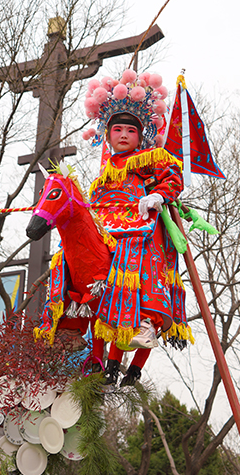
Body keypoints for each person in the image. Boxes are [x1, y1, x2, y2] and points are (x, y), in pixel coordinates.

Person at [77, 70, 192, 386]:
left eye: (131, 130)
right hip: (108, 235)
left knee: (137, 271)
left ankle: (145, 325)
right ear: (107, 134)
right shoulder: (103, 174)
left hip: (140, 232)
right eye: (117, 129)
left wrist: (158, 194)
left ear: (141, 135)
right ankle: (91, 344)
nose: (124, 135)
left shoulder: (150, 157)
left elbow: (174, 177)